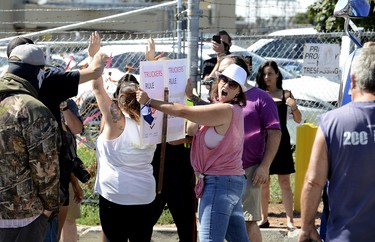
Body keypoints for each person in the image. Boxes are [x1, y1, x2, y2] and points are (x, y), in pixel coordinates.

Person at [5, 33, 108, 242]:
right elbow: (94, 71)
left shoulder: (5, 92)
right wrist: (95, 55)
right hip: (41, 193)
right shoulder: (48, 83)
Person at [137, 63, 249, 242]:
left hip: (219, 183)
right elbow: (191, 129)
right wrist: (191, 99)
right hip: (229, 181)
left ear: (239, 92)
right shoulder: (225, 109)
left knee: (209, 239)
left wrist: (150, 101)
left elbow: (184, 112)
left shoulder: (225, 110)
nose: (225, 85)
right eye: (223, 80)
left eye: (232, 84)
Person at [187, 55, 282, 242]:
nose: (221, 79)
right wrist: (191, 98)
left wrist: (265, 166)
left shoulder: (261, 98)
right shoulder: (219, 98)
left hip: (249, 169)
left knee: (249, 222)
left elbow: (275, 133)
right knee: (235, 231)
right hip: (221, 173)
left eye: (227, 74)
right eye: (221, 75)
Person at [298, 45, 375, 242]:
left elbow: (313, 181)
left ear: (354, 79)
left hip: (345, 235)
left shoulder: (333, 122)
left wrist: (307, 227)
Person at [92, 39, 156, 241]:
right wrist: (151, 62)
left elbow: (96, 86)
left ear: (118, 100)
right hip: (144, 196)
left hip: (116, 196)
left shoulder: (116, 122)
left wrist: (94, 57)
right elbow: (154, 92)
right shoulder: (151, 121)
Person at [0, 44, 60, 242]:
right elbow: (45, 169)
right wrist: (50, 208)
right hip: (24, 218)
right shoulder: (33, 110)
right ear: (37, 73)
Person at [145, 37, 198, 242]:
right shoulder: (147, 104)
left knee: (186, 225)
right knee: (144, 223)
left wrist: (189, 97)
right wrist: (149, 62)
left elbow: (195, 133)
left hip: (181, 173)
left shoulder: (188, 102)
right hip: (153, 171)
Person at [256, 60, 302, 229]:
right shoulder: (259, 94)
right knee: (264, 182)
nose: (267, 77)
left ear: (277, 75)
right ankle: (264, 218)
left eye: (270, 73)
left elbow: (298, 119)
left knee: (285, 182)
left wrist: (294, 106)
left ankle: (290, 220)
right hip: (263, 141)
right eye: (264, 74)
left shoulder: (286, 94)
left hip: (281, 142)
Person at [60, 99, 84, 242]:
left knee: (69, 219)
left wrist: (64, 108)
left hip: (68, 169)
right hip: (42, 169)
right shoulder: (36, 97)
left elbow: (77, 129)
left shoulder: (69, 103)